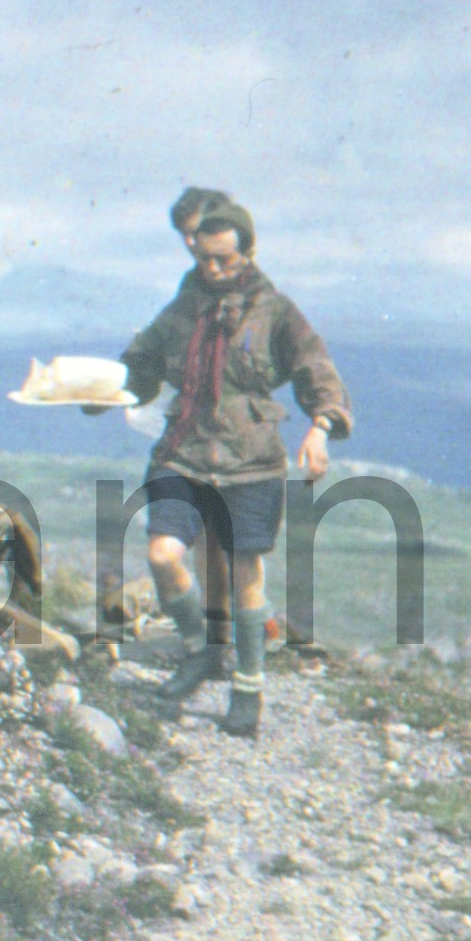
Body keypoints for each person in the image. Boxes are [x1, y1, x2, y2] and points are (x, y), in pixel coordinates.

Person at [110, 196, 352, 741]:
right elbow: (144, 361)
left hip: (250, 463)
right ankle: (201, 651)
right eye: (206, 259)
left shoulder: (276, 310)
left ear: (247, 253)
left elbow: (319, 371)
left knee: (246, 577)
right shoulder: (185, 304)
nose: (214, 269)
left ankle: (248, 687)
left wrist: (321, 426)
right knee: (162, 554)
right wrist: (103, 387)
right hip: (184, 453)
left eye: (225, 260)